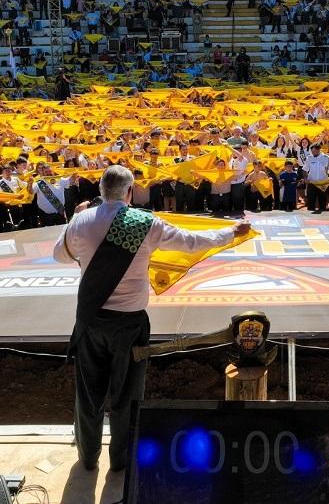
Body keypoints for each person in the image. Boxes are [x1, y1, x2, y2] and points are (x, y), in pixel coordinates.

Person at [53, 166, 250, 472]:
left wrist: (73, 221)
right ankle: (120, 461)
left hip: (91, 322)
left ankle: (88, 458)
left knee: (88, 396)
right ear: (130, 192)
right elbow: (190, 241)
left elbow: (59, 255)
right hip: (130, 325)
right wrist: (230, 232)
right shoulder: (144, 223)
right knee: (127, 395)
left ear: (101, 191)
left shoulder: (81, 221)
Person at [303, 143, 329, 214]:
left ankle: (323, 222)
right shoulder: (309, 158)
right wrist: (305, 178)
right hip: (312, 183)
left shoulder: (327, 158)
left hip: (323, 184)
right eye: (312, 152)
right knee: (310, 204)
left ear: (319, 150)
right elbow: (304, 170)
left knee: (322, 204)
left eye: (314, 152)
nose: (313, 153)